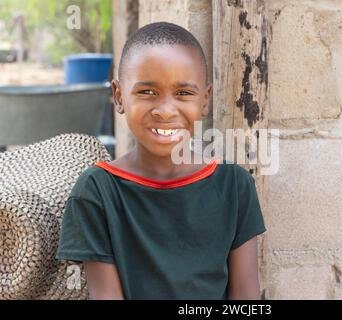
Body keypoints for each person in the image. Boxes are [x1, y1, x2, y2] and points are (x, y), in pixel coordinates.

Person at [56, 22, 266, 300]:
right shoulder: (97, 191)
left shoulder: (234, 186)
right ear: (119, 96)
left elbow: (245, 295)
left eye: (183, 93)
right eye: (147, 92)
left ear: (204, 101)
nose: (166, 111)